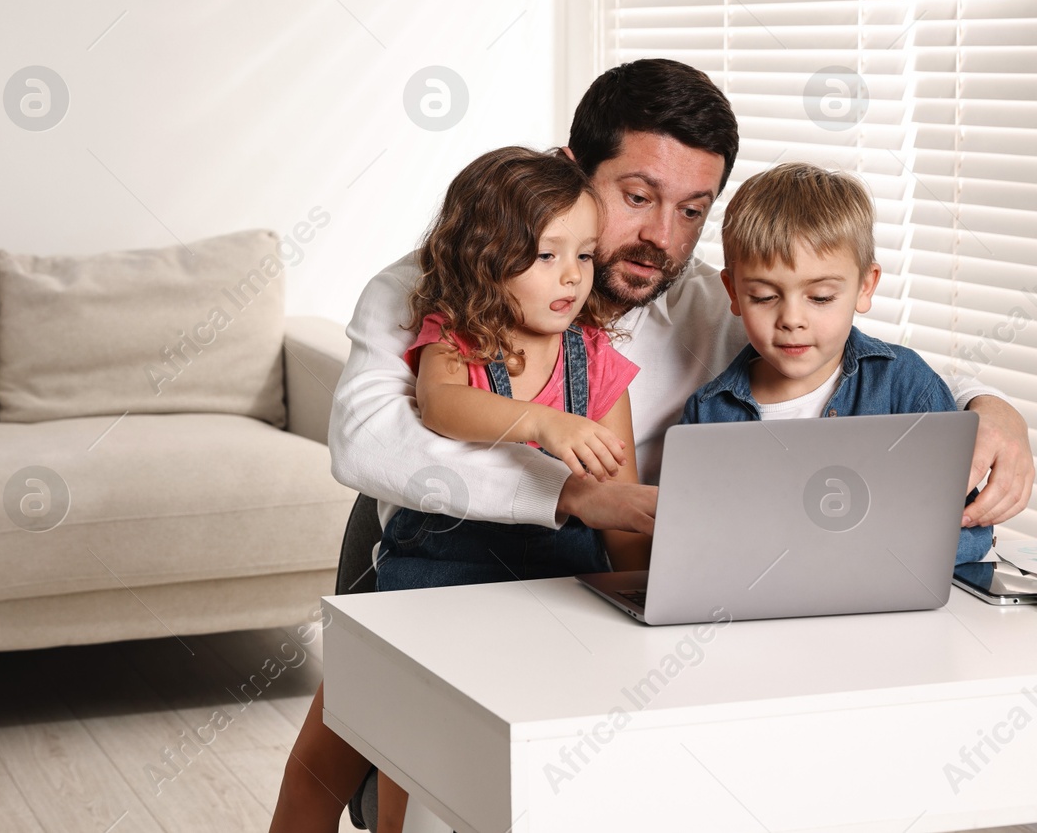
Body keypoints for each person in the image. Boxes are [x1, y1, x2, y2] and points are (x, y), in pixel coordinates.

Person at [269, 58, 1034, 831]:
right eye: (637, 198)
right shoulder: (437, 286)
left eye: (694, 210)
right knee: (355, 775)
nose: (662, 238)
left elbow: (836, 332)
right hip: (439, 574)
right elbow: (367, 440)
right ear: (570, 169)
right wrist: (565, 485)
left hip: (597, 594)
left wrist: (988, 405)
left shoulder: (714, 300)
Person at [372, 147, 649, 829]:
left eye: (584, 255)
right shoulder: (458, 338)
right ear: (484, 256)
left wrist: (646, 590)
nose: (572, 276)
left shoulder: (596, 361)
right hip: (444, 572)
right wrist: (543, 424)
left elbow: (620, 498)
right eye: (546, 255)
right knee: (413, 743)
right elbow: (440, 405)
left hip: (560, 574)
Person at [681, 162, 994, 563]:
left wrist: (859, 553)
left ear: (865, 287)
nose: (792, 319)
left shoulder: (905, 386)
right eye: (763, 296)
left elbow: (968, 528)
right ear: (735, 293)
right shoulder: (708, 412)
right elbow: (695, 547)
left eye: (821, 297)